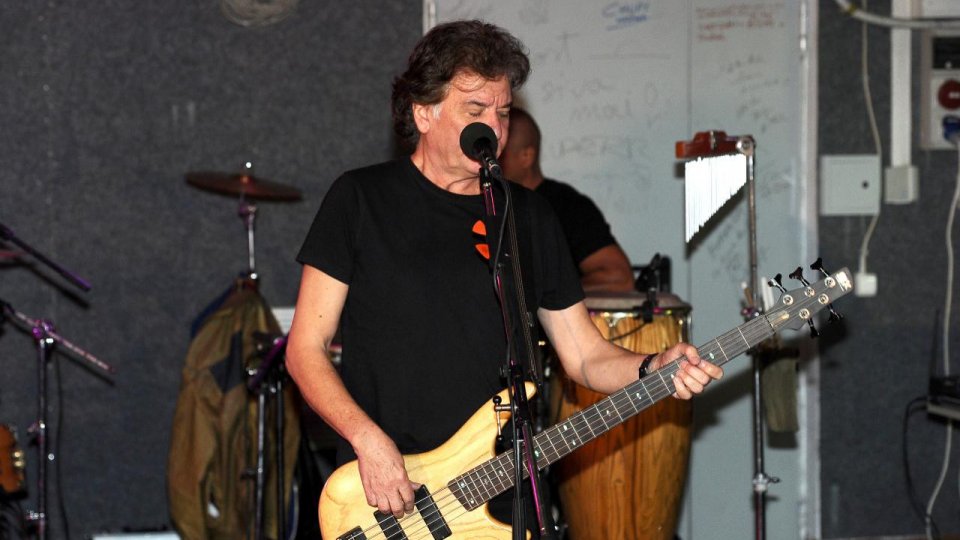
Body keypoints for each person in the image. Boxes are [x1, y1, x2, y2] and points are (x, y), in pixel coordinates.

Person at [285, 19, 722, 533]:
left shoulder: (529, 217)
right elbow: (305, 349)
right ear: (423, 113)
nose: (493, 126)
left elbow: (584, 355)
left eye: (503, 111)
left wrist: (652, 367)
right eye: (475, 111)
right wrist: (366, 439)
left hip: (503, 493)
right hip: (389, 492)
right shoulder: (360, 200)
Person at [500, 107, 635, 293]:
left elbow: (619, 278)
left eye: (499, 153)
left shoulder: (568, 207)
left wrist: (547, 296)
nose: (488, 161)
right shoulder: (484, 203)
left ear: (526, 156)